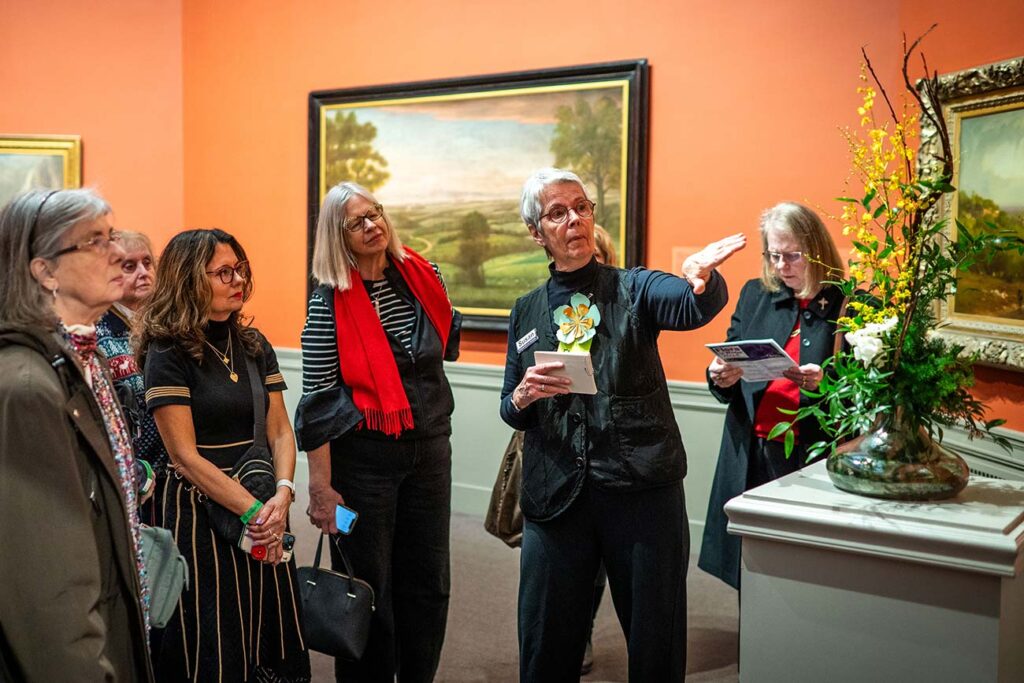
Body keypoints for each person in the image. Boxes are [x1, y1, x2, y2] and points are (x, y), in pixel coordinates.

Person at [500, 167, 745, 681]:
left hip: (640, 492)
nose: (574, 219)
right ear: (536, 231)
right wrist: (523, 394)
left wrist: (700, 279)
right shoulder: (525, 312)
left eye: (582, 207)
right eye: (558, 212)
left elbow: (688, 305)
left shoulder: (634, 288)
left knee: (656, 643)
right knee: (545, 643)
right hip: (556, 494)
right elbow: (509, 406)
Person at [296, 182, 461, 682]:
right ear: (337, 235)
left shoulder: (423, 275)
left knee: (428, 584)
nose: (372, 226)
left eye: (376, 214)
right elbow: (319, 404)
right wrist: (322, 488)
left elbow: (445, 347)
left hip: (430, 451)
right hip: (360, 463)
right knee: (367, 588)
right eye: (356, 222)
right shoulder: (329, 302)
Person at [135, 229, 310, 682]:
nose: (238, 281)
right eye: (224, 272)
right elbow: (184, 456)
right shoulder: (166, 350)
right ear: (189, 279)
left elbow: (280, 433)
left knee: (266, 630)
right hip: (199, 512)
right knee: (215, 638)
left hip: (263, 501)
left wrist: (284, 496)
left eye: (241, 270)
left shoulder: (254, 345)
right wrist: (255, 511)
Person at [0, 188, 153, 681]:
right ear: (44, 271)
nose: (117, 253)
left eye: (112, 235)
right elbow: (45, 580)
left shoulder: (83, 358)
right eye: (94, 241)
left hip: (109, 608)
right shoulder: (27, 384)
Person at [698, 202, 845, 590]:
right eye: (773, 255)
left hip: (808, 452)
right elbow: (729, 357)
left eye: (792, 255)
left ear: (817, 250)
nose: (782, 266)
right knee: (751, 562)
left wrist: (825, 382)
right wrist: (720, 376)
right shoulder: (755, 295)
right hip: (752, 446)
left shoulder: (850, 303)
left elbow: (862, 390)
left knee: (805, 567)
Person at [96, 230, 168, 524]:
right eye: (129, 266)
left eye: (147, 263)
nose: (143, 273)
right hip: (129, 475)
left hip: (172, 474)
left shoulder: (165, 322)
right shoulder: (98, 329)